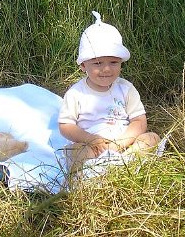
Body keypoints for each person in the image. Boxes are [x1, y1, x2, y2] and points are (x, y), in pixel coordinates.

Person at [59, 11, 160, 170]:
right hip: (92, 145)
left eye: (113, 62)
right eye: (98, 63)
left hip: (123, 143)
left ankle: (128, 162)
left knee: (152, 138)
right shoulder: (76, 93)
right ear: (83, 65)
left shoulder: (126, 88)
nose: (106, 69)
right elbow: (66, 126)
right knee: (75, 152)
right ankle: (84, 176)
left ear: (121, 62)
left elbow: (139, 121)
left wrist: (121, 143)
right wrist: (89, 139)